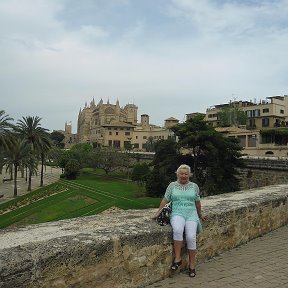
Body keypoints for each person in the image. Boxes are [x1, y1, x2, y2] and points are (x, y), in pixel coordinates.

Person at [153, 164, 207, 277]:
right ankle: (177, 258)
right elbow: (165, 199)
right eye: (181, 173)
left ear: (189, 175)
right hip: (177, 212)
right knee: (177, 230)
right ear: (178, 174)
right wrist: (158, 212)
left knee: (191, 237)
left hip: (191, 214)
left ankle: (192, 265)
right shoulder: (172, 186)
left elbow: (197, 202)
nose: (184, 176)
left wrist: (200, 213)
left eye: (186, 174)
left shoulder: (194, 186)